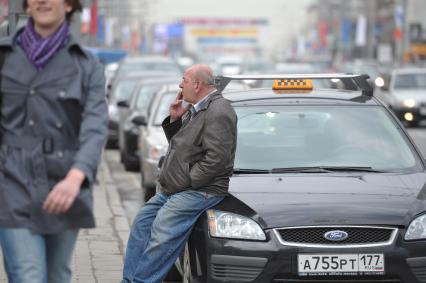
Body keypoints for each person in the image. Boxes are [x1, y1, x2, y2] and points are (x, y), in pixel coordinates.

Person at [0, 0, 108, 282]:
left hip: (63, 185)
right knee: (28, 275)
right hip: (11, 184)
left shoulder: (88, 66)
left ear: (70, 5)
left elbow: (95, 126)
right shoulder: (4, 56)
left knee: (57, 275)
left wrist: (75, 177)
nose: (42, 1)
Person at [122, 64, 237, 283]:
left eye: (183, 80)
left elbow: (216, 159)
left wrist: (189, 181)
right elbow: (184, 147)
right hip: (176, 188)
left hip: (201, 190)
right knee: (142, 223)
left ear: (197, 84)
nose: (180, 85)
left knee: (162, 231)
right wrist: (175, 120)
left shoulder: (219, 110)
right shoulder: (197, 108)